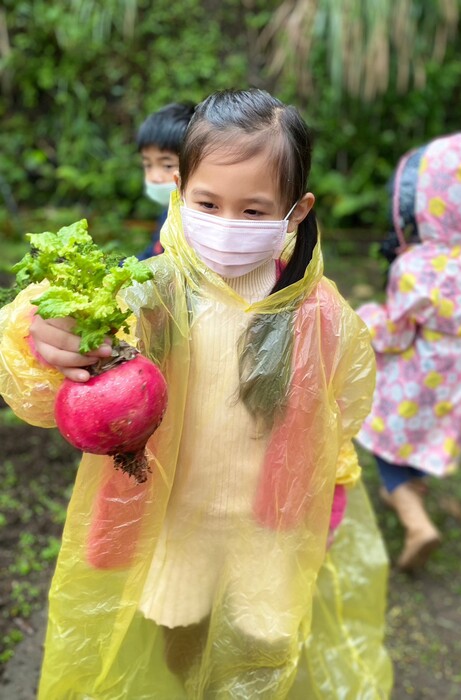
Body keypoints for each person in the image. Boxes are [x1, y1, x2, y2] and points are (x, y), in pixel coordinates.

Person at [0, 89, 392, 698]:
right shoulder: (150, 294)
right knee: (178, 635)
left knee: (258, 649)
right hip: (174, 522)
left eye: (255, 211)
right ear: (181, 188)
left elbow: (334, 419)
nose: (228, 227)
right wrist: (48, 333)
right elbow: (37, 367)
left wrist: (331, 494)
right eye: (208, 203)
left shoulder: (319, 315)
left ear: (297, 209)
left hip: (267, 530)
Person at [356, 132, 461, 572]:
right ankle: (410, 487)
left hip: (420, 376)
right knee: (426, 437)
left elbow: (398, 332)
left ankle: (414, 519)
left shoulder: (419, 266)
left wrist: (368, 319)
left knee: (386, 436)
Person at [137, 101, 196, 259]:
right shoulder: (167, 213)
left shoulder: (194, 225)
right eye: (148, 165)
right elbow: (152, 256)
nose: (155, 177)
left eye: (167, 165)